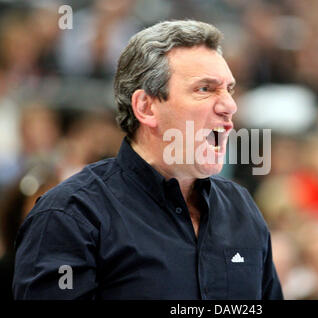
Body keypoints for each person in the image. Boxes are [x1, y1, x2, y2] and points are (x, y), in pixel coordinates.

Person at [13, 20, 283, 300]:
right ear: (146, 107)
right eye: (205, 89)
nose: (229, 105)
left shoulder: (241, 209)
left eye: (229, 89)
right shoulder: (71, 216)